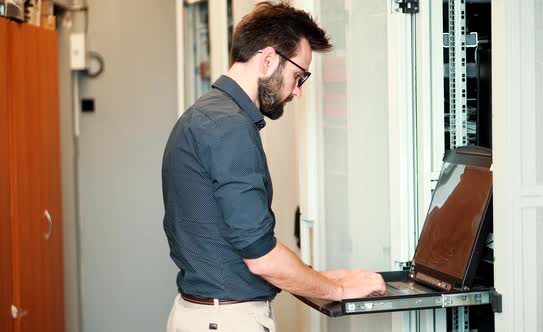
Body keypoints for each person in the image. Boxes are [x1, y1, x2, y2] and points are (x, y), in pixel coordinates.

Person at [162, 2, 386, 331]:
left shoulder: (207, 115)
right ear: (268, 59)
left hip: (206, 314)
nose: (297, 91)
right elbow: (261, 258)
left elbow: (233, 244)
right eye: (299, 76)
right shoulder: (228, 127)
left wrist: (320, 278)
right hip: (228, 321)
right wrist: (338, 289)